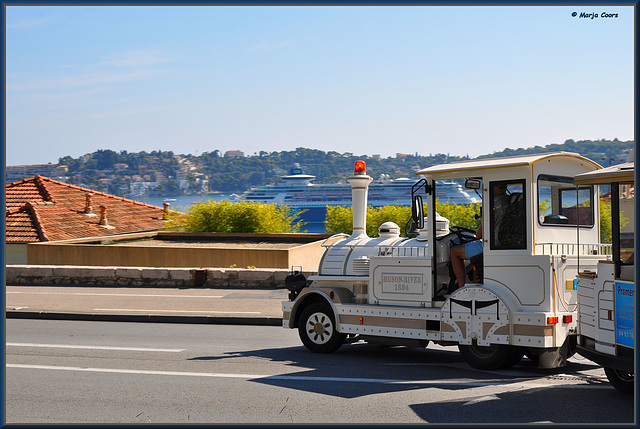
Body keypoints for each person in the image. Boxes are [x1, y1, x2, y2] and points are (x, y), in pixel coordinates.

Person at [450, 223, 482, 288]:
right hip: (495, 245)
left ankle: (461, 287)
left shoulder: (490, 214)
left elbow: (478, 235)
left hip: (488, 246)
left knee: (454, 252)